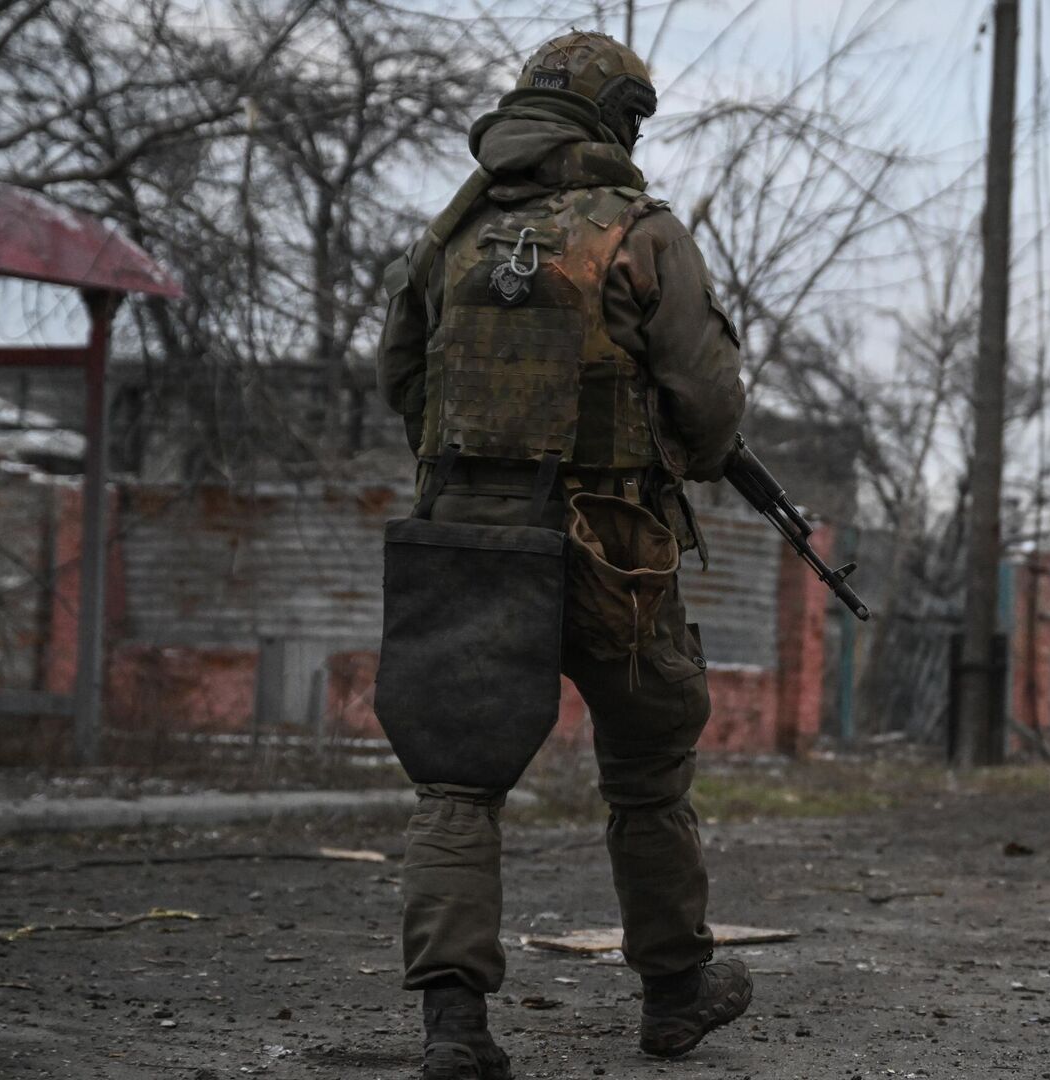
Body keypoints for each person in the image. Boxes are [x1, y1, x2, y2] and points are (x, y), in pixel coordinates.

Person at [375, 30, 750, 1080]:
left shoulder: (450, 235)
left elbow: (401, 375)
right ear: (612, 119)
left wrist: (474, 476)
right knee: (645, 776)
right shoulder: (641, 235)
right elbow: (711, 406)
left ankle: (454, 1029)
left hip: (468, 541)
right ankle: (676, 994)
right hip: (612, 550)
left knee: (455, 786)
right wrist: (659, 459)